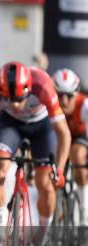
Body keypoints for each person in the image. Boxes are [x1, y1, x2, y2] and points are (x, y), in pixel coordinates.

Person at [0, 62, 71, 246]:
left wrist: (59, 170)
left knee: (46, 183)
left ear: (28, 90)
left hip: (42, 127)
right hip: (11, 125)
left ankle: (41, 244)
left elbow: (63, 133)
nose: (15, 104)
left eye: (19, 99)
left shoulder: (43, 85)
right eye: (9, 99)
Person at [52, 68, 88, 226]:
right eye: (60, 95)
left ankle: (84, 209)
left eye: (69, 96)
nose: (64, 101)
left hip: (80, 138)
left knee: (78, 156)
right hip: (59, 139)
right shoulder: (50, 104)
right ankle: (56, 210)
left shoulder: (84, 105)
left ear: (77, 93)